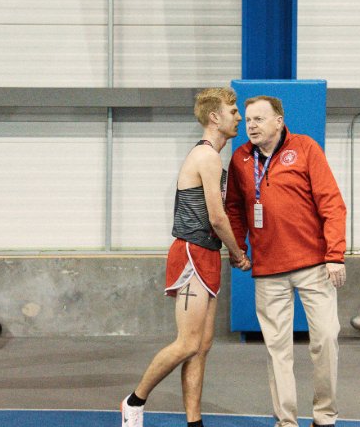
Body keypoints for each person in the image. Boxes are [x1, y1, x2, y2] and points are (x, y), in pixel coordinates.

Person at [120, 87, 251, 427]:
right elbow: (217, 217)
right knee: (187, 342)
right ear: (214, 117)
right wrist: (237, 254)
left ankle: (194, 422)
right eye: (233, 110)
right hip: (192, 251)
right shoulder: (206, 156)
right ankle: (134, 401)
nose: (239, 117)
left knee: (202, 345)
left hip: (207, 253)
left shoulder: (215, 157)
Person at [225, 95, 347, 427]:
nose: (251, 126)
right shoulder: (240, 159)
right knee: (278, 350)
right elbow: (234, 209)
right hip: (268, 272)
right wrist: (238, 250)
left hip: (314, 267)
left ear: (279, 121)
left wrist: (335, 255)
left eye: (259, 119)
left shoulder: (305, 148)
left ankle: (324, 417)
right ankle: (286, 421)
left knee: (325, 340)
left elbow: (332, 204)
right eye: (248, 120)